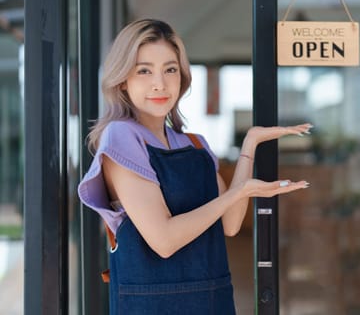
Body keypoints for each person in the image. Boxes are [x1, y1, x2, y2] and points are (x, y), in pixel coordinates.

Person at [77, 18, 311, 314]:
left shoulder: (194, 144)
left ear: (182, 77)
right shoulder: (121, 137)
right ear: (123, 79)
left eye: (170, 69)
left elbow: (230, 223)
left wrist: (249, 145)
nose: (159, 83)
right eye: (144, 70)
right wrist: (238, 193)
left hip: (212, 300)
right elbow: (163, 240)